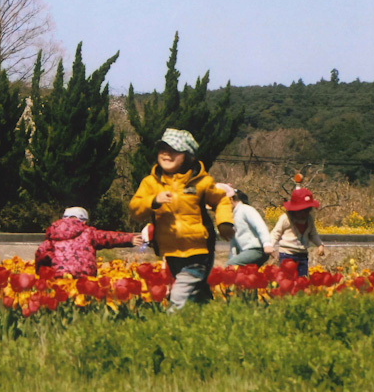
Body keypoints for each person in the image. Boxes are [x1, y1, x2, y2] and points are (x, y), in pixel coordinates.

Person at [129, 128, 234, 312]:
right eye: (162, 148)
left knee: (180, 294)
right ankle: (213, 318)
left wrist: (224, 223)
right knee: (197, 293)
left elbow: (221, 200)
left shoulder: (201, 181)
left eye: (173, 150)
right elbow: (135, 209)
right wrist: (153, 201)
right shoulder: (150, 183)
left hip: (199, 248)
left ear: (189, 157)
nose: (166, 153)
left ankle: (171, 327)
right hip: (171, 251)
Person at [33, 207, 142, 277]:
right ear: (83, 220)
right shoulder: (89, 232)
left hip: (59, 275)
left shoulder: (53, 233)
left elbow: (40, 252)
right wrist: (129, 239)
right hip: (85, 276)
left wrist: (40, 272)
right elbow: (108, 237)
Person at [264, 187, 325, 278]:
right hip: (287, 254)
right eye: (301, 211)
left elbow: (313, 234)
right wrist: (269, 245)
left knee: (302, 279)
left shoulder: (309, 219)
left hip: (302, 254)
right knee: (287, 279)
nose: (304, 214)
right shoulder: (286, 218)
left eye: (307, 210)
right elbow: (276, 233)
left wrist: (320, 245)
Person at [219, 185, 271, 267]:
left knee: (230, 266)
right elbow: (234, 240)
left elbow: (260, 225)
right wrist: (233, 256)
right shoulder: (233, 215)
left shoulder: (246, 209)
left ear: (231, 199)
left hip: (257, 249)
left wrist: (267, 243)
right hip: (246, 251)